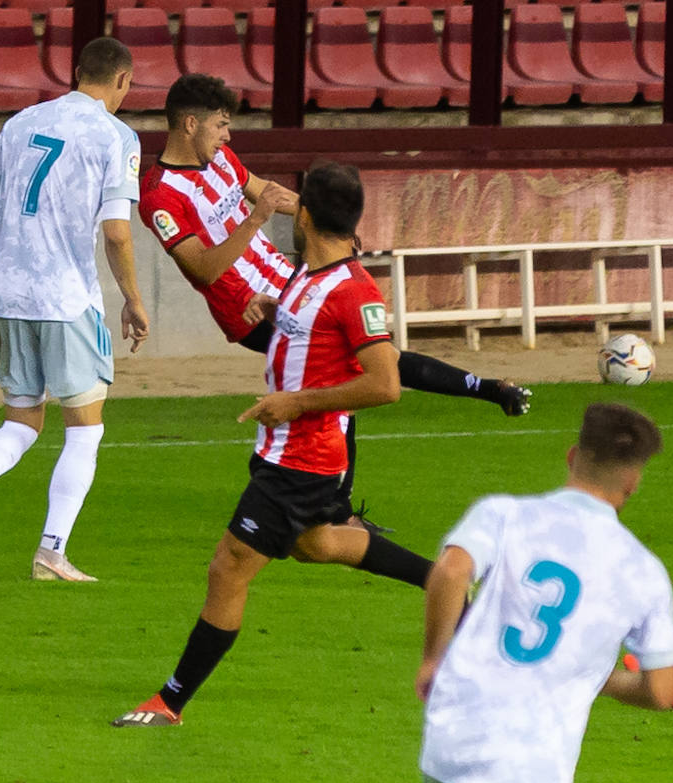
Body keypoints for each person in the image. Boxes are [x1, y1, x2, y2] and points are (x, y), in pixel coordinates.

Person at [113, 161, 437, 728]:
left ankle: (170, 700)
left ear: (304, 214)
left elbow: (385, 384)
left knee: (228, 569)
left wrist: (297, 402)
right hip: (282, 449)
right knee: (314, 546)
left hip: (302, 458)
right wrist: (274, 310)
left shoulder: (352, 289)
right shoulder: (307, 276)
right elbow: (311, 338)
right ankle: (444, 580)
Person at [136, 75, 530, 521]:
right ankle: (342, 509)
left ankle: (483, 393)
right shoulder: (159, 196)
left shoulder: (222, 159)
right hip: (250, 311)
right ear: (190, 124)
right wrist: (255, 219)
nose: (227, 136)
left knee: (373, 362)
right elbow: (203, 269)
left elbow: (267, 191)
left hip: (293, 280)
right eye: (220, 126)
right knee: (356, 374)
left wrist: (330, 216)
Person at [415, 403, 673, 783]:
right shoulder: (642, 570)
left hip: (454, 734)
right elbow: (662, 691)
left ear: (573, 456)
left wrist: (432, 659)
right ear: (633, 483)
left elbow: (450, 571)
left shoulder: (502, 514)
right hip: (531, 765)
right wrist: (598, 678)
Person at [0, 37, 150, 583]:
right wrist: (131, 296)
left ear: (77, 71)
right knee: (85, 430)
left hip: (10, 293)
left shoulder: (21, 122)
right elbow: (117, 232)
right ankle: (51, 553)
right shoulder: (116, 135)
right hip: (66, 299)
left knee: (22, 419)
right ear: (124, 81)